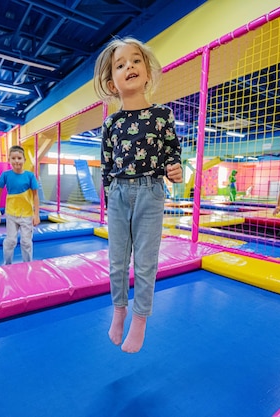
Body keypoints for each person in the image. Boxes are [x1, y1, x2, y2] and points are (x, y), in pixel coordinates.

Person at [94, 37, 183, 353]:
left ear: (147, 72)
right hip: (118, 193)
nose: (128, 67)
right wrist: (107, 200)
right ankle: (119, 310)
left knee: (145, 263)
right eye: (120, 65)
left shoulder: (162, 114)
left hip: (150, 191)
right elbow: (106, 165)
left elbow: (173, 150)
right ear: (112, 82)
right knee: (117, 261)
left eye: (135, 61)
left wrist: (175, 168)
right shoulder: (111, 122)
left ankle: (140, 320)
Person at [0, 145, 41, 264]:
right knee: (10, 241)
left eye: (19, 158)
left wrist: (36, 214)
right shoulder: (6, 175)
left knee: (26, 242)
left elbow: (35, 196)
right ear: (9, 160)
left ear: (24, 160)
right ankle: (7, 263)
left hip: (26, 214)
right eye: (13, 158)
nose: (16, 161)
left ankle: (28, 264)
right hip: (11, 214)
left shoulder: (29, 176)